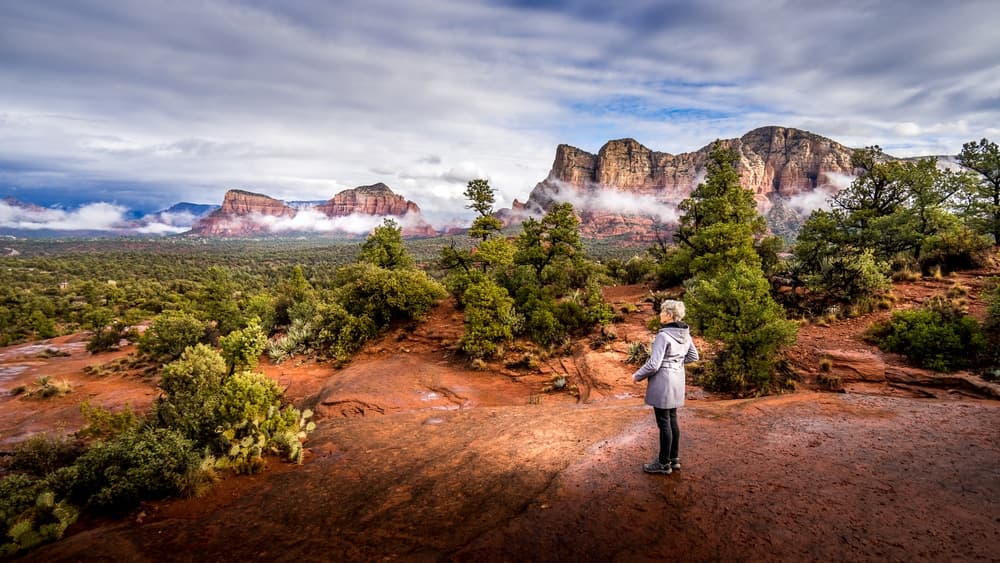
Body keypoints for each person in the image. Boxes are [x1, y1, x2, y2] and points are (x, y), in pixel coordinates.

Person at [632, 299, 699, 475]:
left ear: (669, 315)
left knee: (664, 423)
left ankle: (663, 463)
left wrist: (636, 376)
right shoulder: (685, 333)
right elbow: (693, 356)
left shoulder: (663, 335)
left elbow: (654, 365)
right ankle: (674, 459)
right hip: (677, 380)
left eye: (662, 311)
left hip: (663, 382)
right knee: (672, 418)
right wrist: (676, 363)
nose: (660, 314)